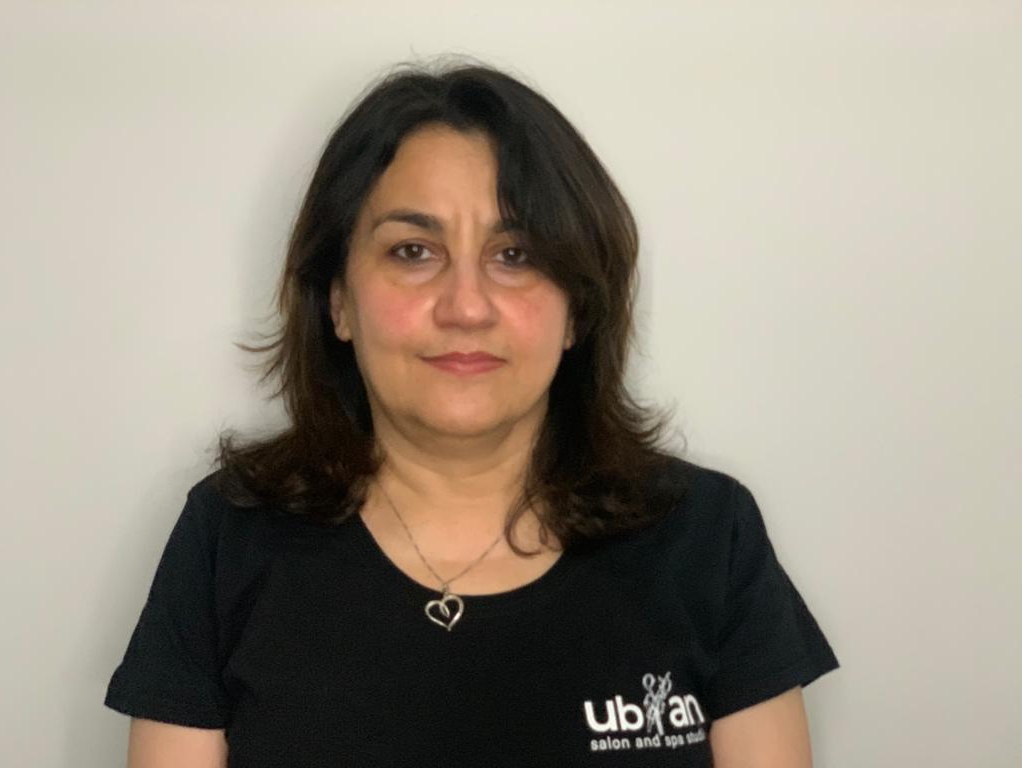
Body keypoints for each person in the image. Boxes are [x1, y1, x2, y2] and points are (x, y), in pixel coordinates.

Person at [104, 56, 839, 767]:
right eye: (413, 251)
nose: (465, 306)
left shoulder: (708, 539)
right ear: (338, 300)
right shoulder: (229, 541)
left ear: (578, 309)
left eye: (515, 255)